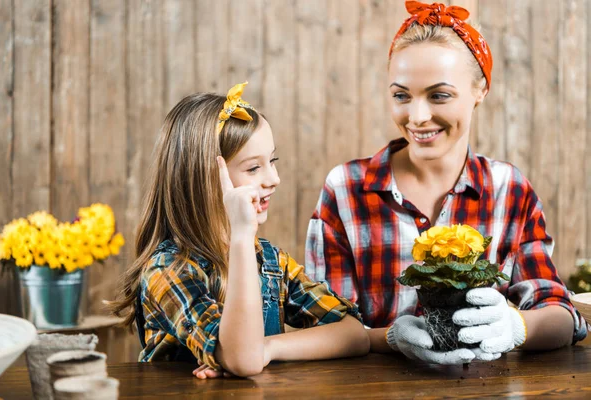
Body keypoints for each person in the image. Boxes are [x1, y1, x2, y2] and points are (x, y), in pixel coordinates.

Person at [305, 1, 587, 365]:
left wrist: (516, 326)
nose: (418, 117)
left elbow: (562, 316)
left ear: (480, 90)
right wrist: (391, 338)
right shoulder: (346, 188)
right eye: (401, 95)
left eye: (439, 95)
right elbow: (325, 324)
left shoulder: (508, 189)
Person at [109, 82, 369, 379]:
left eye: (272, 161)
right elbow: (244, 360)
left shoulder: (271, 262)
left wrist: (268, 348)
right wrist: (242, 234)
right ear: (204, 179)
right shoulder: (168, 270)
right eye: (253, 169)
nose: (274, 179)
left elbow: (353, 333)